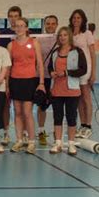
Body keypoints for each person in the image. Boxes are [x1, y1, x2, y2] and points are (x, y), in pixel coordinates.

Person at [7, 17, 45, 154]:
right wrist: (6, 84)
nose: (19, 28)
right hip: (15, 80)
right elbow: (8, 67)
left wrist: (41, 83)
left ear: (27, 28)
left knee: (27, 112)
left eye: (22, 26)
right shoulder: (11, 45)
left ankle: (31, 141)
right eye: (17, 26)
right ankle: (18, 140)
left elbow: (40, 64)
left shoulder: (34, 42)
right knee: (17, 112)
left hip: (30, 81)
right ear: (14, 28)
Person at [48, 27, 87, 155]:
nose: (62, 37)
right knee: (57, 117)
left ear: (69, 36)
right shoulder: (55, 52)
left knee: (71, 117)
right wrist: (52, 73)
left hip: (72, 90)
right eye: (60, 35)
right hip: (56, 90)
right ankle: (58, 143)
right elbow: (50, 68)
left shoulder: (78, 52)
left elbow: (83, 70)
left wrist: (66, 73)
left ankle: (71, 144)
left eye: (65, 35)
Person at [69, 9, 96, 139]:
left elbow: (92, 54)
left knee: (86, 98)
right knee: (78, 98)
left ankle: (89, 126)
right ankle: (83, 124)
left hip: (86, 70)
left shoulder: (87, 33)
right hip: (75, 70)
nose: (76, 20)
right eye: (74, 18)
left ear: (83, 19)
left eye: (78, 18)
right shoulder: (70, 34)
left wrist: (93, 73)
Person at [0, 6, 21, 145]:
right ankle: (5, 133)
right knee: (5, 106)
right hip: (5, 75)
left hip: (21, 77)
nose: (13, 18)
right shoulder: (2, 35)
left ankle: (23, 134)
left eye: (16, 16)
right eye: (11, 16)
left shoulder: (27, 35)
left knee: (21, 108)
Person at [36, 15, 58, 146]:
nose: (50, 26)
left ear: (57, 24)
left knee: (57, 107)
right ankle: (41, 132)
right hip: (40, 77)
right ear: (44, 25)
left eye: (53, 23)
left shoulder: (60, 38)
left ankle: (57, 135)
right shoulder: (38, 39)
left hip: (56, 79)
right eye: (48, 23)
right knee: (41, 107)